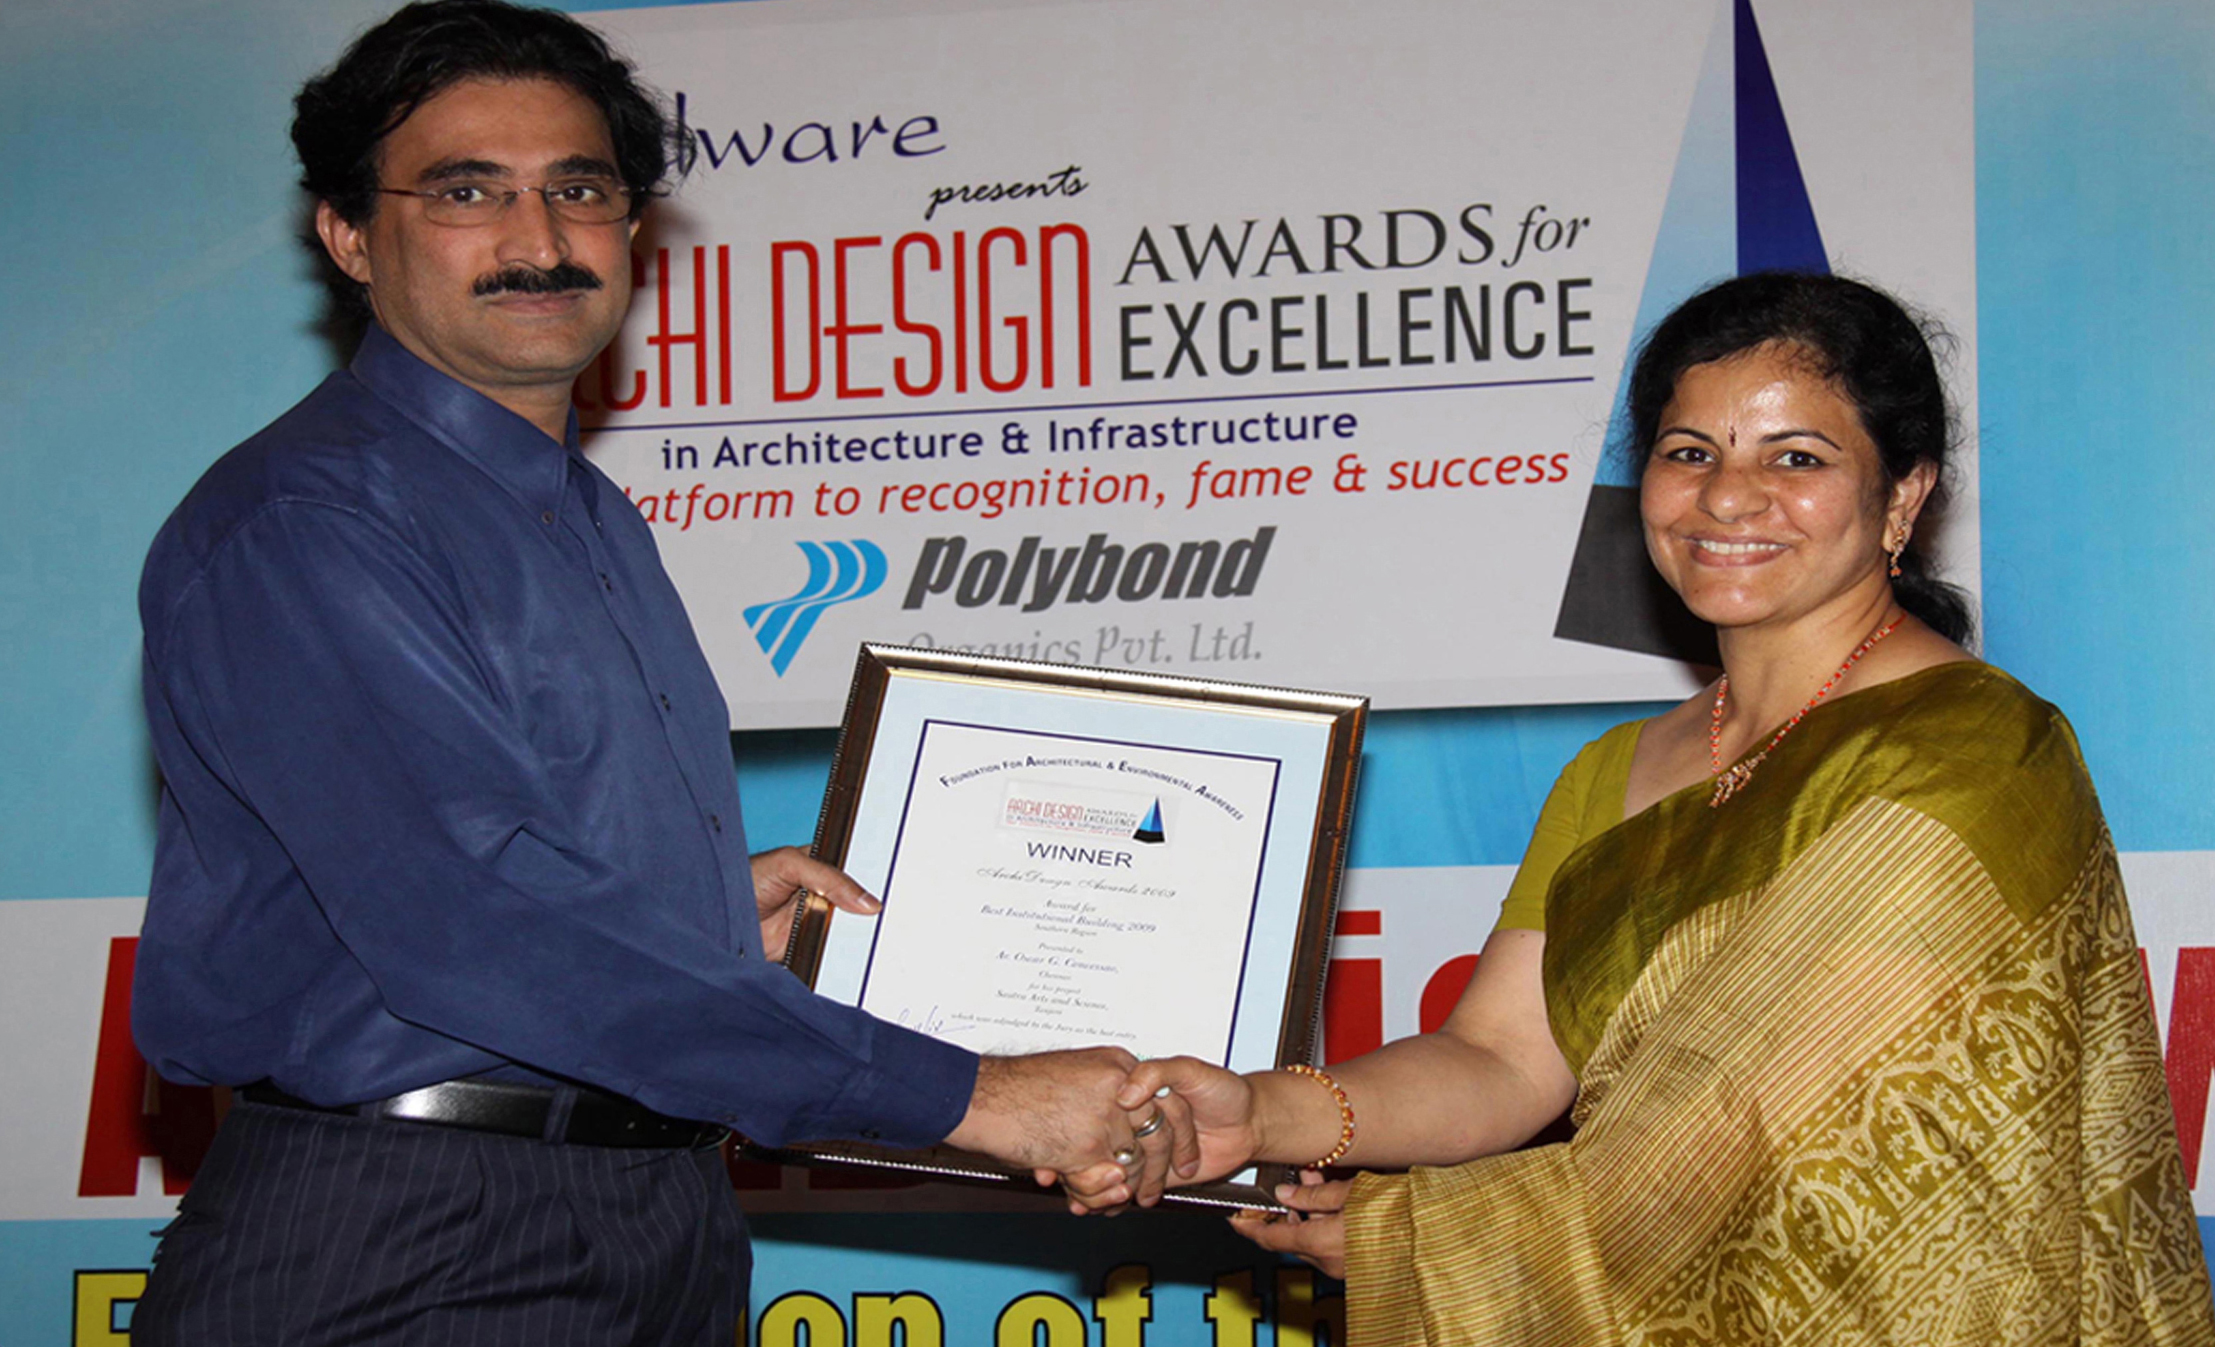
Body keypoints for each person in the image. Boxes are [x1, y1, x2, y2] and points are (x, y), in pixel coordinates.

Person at [130, 3, 1189, 1342]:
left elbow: (480, 863)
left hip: (654, 1210)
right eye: (468, 192)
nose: (538, 241)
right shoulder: (310, 522)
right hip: (417, 1233)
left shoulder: (586, 516)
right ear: (348, 235)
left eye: (580, 190)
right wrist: (972, 1094)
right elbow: (475, 919)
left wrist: (697, 911)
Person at [1113, 273, 2215, 1343]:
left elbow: (1769, 1133)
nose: (1727, 498)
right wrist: (1261, 1112)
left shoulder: (1972, 754)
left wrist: (1430, 1239)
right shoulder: (1614, 769)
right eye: (1689, 453)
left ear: (1902, 496)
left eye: (1796, 457)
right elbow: (1500, 1062)